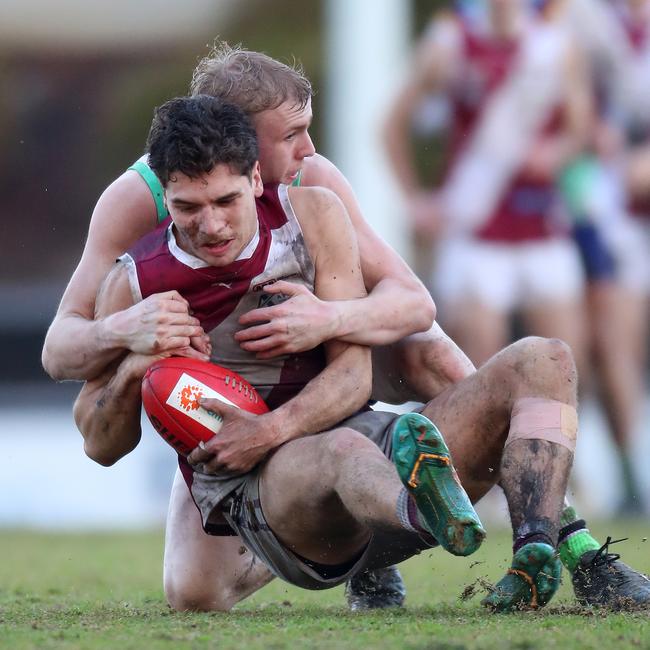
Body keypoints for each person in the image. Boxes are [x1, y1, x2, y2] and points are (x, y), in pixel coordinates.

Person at [74, 95, 603, 612]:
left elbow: (407, 315)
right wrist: (129, 361)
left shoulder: (316, 203)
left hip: (348, 431)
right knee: (204, 585)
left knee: (540, 357)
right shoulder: (135, 275)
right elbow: (84, 409)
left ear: (254, 177)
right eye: (188, 207)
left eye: (226, 202)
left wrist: (329, 318)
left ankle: (543, 544)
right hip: (284, 481)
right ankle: (422, 511)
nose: (210, 225)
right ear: (162, 195)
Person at [41, 43, 478, 610]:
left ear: (249, 171)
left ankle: (560, 534)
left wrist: (329, 316)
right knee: (194, 595)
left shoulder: (313, 181)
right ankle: (344, 539)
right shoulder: (137, 199)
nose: (310, 148)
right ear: (237, 135)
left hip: (329, 369)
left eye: (307, 129)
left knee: (430, 350)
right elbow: (59, 348)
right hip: (224, 393)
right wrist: (126, 329)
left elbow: (416, 302)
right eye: (292, 133)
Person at [383, 0, 589, 374]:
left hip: (541, 226)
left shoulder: (553, 45)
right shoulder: (450, 43)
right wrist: (415, 201)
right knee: (479, 373)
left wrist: (553, 154)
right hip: (475, 230)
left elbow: (580, 128)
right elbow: (392, 124)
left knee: (566, 368)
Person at [554, 0, 650, 513]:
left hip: (625, 217)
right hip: (589, 206)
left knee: (618, 349)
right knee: (586, 347)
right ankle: (588, 478)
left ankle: (628, 472)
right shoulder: (581, 18)